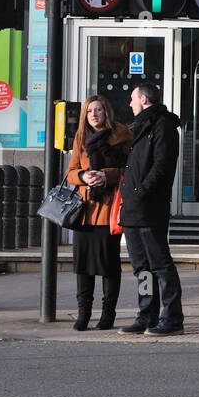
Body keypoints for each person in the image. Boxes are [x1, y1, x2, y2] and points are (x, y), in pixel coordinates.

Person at [117, 83, 185, 337]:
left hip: (149, 207)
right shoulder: (139, 127)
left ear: (144, 99)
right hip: (133, 209)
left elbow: (162, 166)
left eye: (132, 99)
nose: (130, 104)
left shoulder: (163, 126)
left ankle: (172, 317)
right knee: (142, 268)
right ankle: (147, 314)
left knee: (160, 265)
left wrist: (140, 192)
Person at [65, 96, 132, 331]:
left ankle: (108, 314)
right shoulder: (81, 137)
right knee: (83, 265)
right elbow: (71, 171)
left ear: (106, 111)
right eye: (90, 110)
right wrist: (83, 176)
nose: (94, 114)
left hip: (109, 208)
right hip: (85, 210)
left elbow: (130, 169)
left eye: (99, 109)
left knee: (108, 264)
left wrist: (107, 175)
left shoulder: (121, 134)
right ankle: (83, 314)